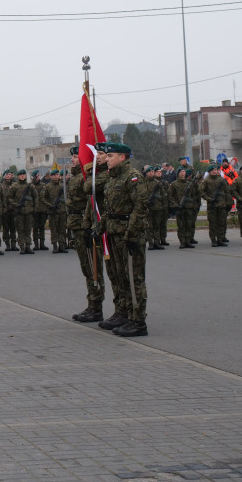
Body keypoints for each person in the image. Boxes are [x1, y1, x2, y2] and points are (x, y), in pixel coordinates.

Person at [100, 142, 151, 337]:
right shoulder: (113, 179)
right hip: (115, 233)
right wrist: (99, 227)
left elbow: (140, 208)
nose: (106, 159)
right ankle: (125, 314)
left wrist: (131, 234)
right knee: (121, 277)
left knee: (133, 278)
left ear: (122, 157)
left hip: (129, 235)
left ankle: (138, 321)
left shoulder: (132, 177)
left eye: (110, 156)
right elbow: (108, 209)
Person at [68, 146, 106, 323]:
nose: (73, 159)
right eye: (73, 157)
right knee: (87, 267)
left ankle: (96, 306)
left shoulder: (86, 178)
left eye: (76, 156)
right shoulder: (76, 177)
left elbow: (90, 203)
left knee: (93, 268)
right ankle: (92, 304)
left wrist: (88, 225)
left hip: (87, 225)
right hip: (78, 225)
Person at [201, 163, 233, 247]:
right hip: (212, 206)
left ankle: (220, 239)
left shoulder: (222, 180)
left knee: (221, 223)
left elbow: (227, 192)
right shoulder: (206, 181)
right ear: (209, 172)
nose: (214, 171)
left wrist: (229, 202)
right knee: (213, 224)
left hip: (222, 205)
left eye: (215, 170)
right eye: (212, 170)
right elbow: (201, 191)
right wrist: (208, 199)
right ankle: (213, 240)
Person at [168, 167, 200, 248]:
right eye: (181, 172)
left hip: (189, 207)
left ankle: (188, 241)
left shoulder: (189, 184)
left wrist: (192, 204)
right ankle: (182, 242)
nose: (183, 173)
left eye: (184, 172)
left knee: (188, 225)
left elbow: (194, 195)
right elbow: (170, 196)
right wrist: (175, 205)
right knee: (181, 226)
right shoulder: (174, 184)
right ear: (178, 173)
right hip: (179, 207)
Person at [6, 169, 36, 254]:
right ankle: (22, 247)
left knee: (28, 230)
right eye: (20, 175)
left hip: (29, 212)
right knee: (20, 230)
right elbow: (9, 197)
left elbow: (35, 197)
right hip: (19, 212)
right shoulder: (14, 186)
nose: (22, 176)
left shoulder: (30, 186)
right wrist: (15, 205)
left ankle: (28, 246)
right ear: (18, 176)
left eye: (24, 175)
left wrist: (34, 208)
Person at [43, 169, 69, 253]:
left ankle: (61, 245)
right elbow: (42, 198)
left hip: (62, 211)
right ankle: (54, 245)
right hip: (53, 212)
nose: (55, 176)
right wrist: (50, 206)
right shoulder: (47, 186)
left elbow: (68, 196)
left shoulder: (63, 186)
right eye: (53, 175)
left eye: (57, 174)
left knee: (62, 230)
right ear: (51, 176)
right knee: (54, 230)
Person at [31, 170, 49, 251]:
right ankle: (36, 244)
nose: (39, 177)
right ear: (34, 177)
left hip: (43, 209)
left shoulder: (43, 185)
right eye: (37, 176)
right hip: (34, 210)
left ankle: (42, 244)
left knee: (42, 227)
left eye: (39, 176)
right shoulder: (30, 186)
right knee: (35, 227)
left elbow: (46, 196)